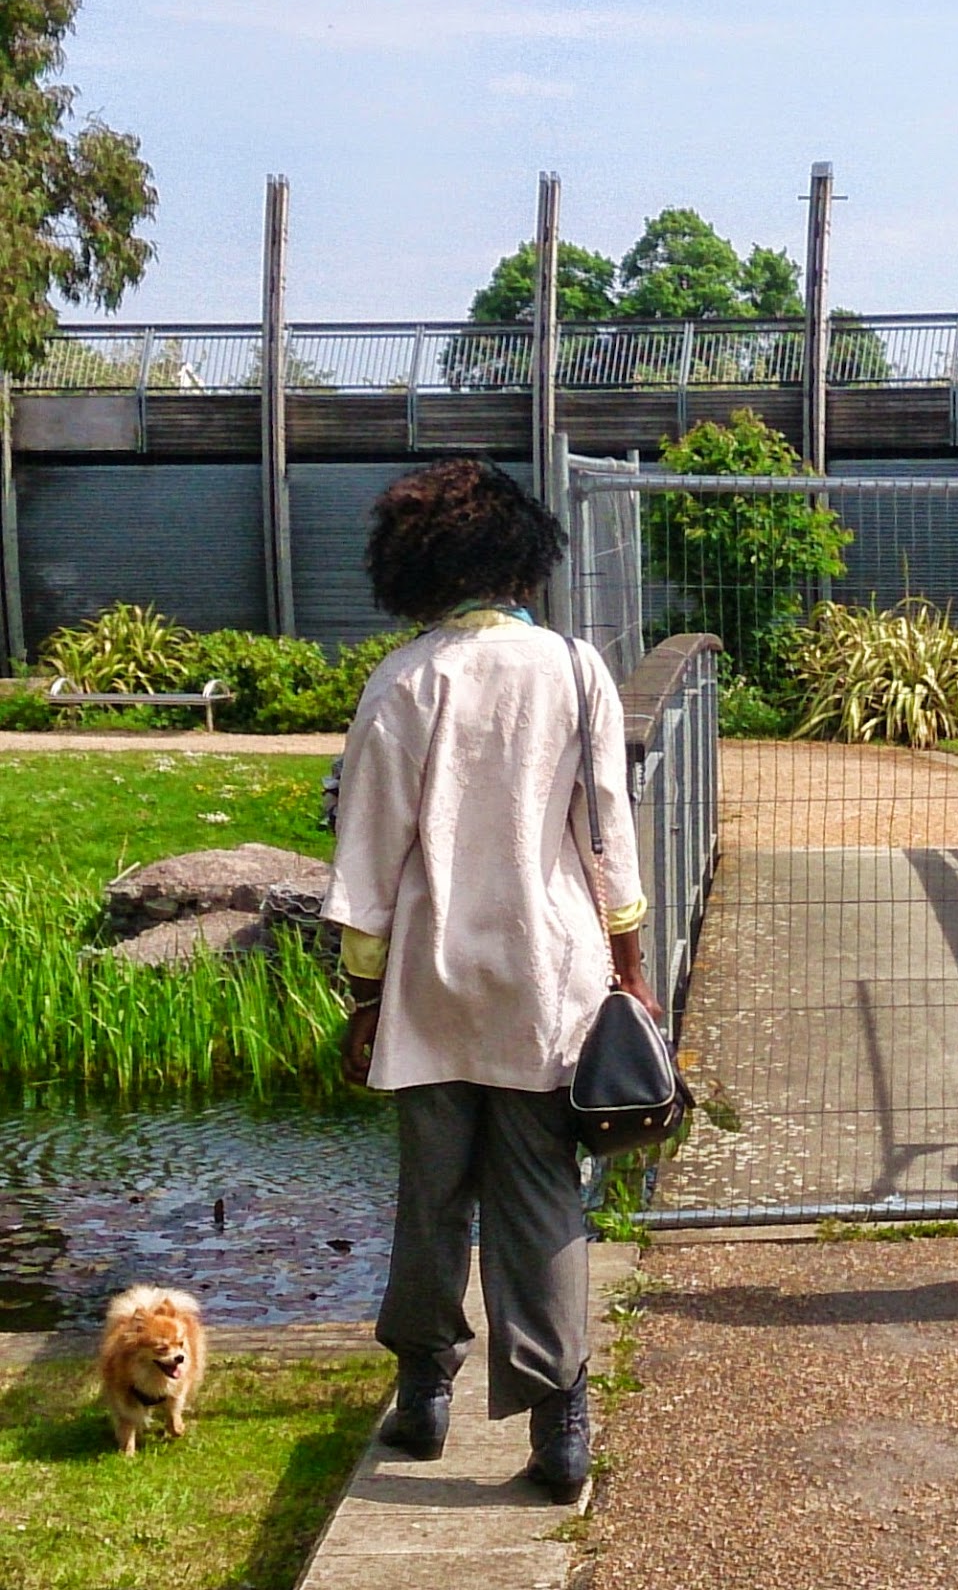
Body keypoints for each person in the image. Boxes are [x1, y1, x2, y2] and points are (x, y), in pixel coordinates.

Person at [322, 457, 660, 1500]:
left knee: (430, 1199)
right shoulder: (572, 668)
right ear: (519, 556)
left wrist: (365, 996)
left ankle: (424, 1387)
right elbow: (607, 834)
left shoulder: (403, 680)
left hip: (429, 986)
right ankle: (559, 1424)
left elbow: (368, 860)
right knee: (541, 1198)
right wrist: (630, 968)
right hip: (547, 978)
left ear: (414, 563)